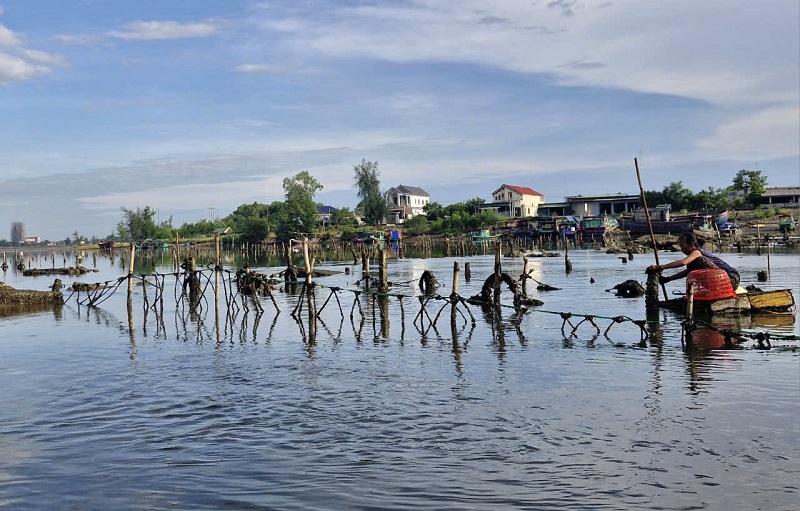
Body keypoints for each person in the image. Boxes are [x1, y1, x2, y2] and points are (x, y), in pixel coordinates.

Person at [646, 231, 740, 289]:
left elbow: (683, 262)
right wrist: (668, 279)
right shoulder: (694, 261)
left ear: (691, 245)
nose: (681, 249)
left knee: (699, 261)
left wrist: (661, 267)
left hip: (731, 278)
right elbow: (688, 271)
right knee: (692, 269)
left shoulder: (697, 252)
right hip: (723, 280)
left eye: (682, 246)